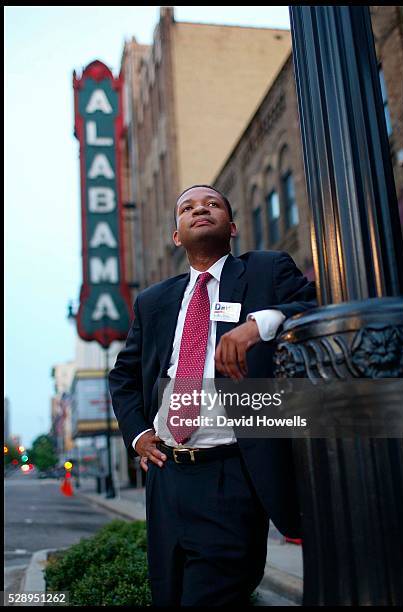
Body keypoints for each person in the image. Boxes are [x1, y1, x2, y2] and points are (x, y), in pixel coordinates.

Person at [109, 184, 316, 606]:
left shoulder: (265, 270)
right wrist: (138, 434)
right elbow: (124, 376)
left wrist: (260, 323)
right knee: (170, 595)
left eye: (212, 204)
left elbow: (316, 307)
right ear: (177, 235)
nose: (199, 209)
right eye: (187, 207)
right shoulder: (153, 301)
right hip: (166, 477)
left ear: (233, 226)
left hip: (230, 473)